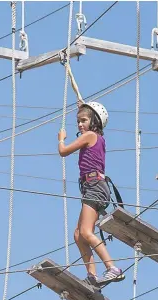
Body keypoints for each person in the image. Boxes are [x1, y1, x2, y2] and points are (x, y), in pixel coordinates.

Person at [57, 101, 125, 289]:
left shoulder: (90, 135)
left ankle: (112, 268)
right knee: (78, 235)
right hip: (92, 187)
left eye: (83, 120)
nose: (80, 124)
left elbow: (63, 151)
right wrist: (83, 106)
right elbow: (90, 114)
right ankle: (92, 275)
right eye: (78, 121)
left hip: (95, 185)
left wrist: (61, 138)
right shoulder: (97, 137)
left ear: (94, 121)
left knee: (86, 232)